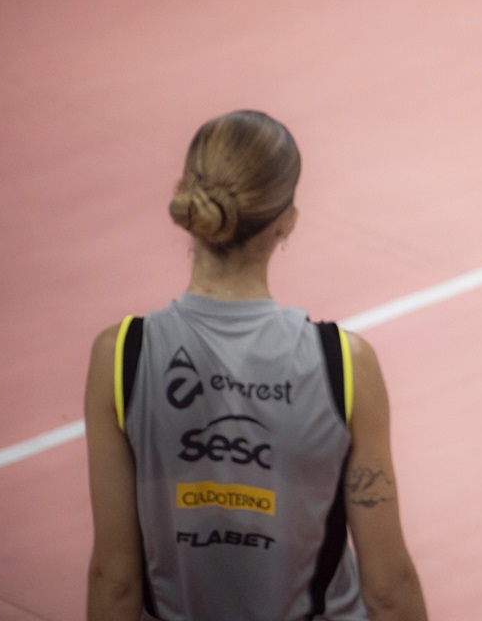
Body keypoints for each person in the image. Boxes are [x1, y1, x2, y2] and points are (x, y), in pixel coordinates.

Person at [85, 110, 428, 621]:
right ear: (286, 221)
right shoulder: (345, 364)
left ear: (188, 199)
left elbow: (115, 581)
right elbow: (388, 589)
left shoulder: (121, 355)